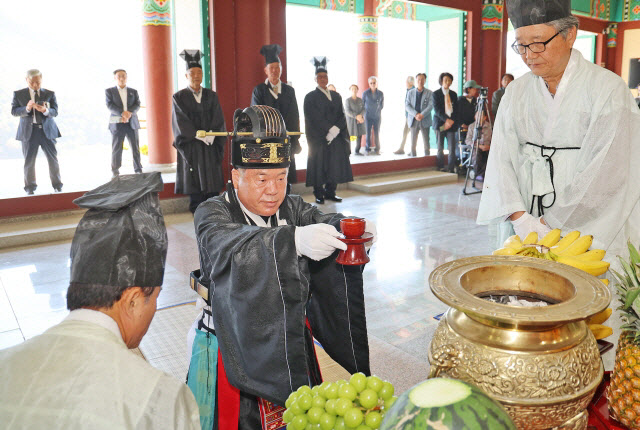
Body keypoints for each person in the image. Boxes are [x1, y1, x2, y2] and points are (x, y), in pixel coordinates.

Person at [477, 0, 640, 370]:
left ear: (570, 34)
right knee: (527, 306)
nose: (529, 55)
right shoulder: (517, 92)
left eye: (539, 43)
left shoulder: (607, 89)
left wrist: (551, 224)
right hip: (526, 217)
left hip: (591, 222)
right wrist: (521, 218)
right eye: (520, 45)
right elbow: (501, 157)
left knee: (588, 311)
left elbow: (609, 172)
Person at [186, 105, 373, 429]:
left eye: (281, 177)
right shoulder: (212, 213)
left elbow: (322, 219)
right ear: (235, 176)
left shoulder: (291, 206)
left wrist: (350, 231)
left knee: (303, 416)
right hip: (232, 344)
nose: (273, 190)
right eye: (261, 178)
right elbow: (227, 247)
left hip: (288, 337)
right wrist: (294, 242)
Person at [0, 173, 201, 429]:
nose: (154, 310)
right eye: (154, 299)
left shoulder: (5, 364)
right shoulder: (160, 397)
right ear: (132, 300)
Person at [172, 49, 226, 214]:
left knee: (211, 173)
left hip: (210, 143)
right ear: (186, 75)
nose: (196, 75)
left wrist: (211, 134)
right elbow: (179, 120)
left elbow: (218, 118)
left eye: (199, 72)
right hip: (192, 144)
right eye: (192, 72)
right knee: (194, 174)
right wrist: (197, 134)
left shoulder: (212, 95)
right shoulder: (179, 97)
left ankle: (215, 207)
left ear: (203, 75)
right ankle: (196, 208)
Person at [251, 44, 301, 193]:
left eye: (277, 67)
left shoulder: (289, 91)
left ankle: (287, 203)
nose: (274, 71)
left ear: (281, 69)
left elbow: (294, 115)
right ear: (265, 70)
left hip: (286, 141)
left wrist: (294, 138)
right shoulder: (259, 90)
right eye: (271, 68)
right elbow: (256, 115)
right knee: (268, 176)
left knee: (285, 176)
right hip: (267, 142)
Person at [304, 57, 353, 204]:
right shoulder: (310, 97)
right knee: (319, 165)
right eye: (320, 77)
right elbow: (313, 117)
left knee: (334, 164)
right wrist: (329, 129)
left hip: (336, 136)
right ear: (315, 79)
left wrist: (336, 130)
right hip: (319, 138)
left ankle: (331, 191)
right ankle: (318, 193)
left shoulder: (336, 96)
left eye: (325, 76)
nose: (323, 79)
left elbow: (342, 115)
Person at [11, 69, 62, 195]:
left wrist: (45, 110)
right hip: (29, 132)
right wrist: (27, 108)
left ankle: (57, 186)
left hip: (47, 131)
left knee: (53, 159)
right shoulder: (19, 94)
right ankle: (30, 189)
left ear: (41, 80)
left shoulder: (50, 93)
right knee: (29, 161)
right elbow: (14, 111)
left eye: (38, 82)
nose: (35, 85)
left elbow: (55, 111)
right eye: (32, 82)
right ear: (27, 80)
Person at [106, 69, 142, 178]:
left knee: (135, 147)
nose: (122, 78)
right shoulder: (109, 91)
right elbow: (110, 105)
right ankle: (115, 170)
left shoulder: (133, 91)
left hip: (132, 122)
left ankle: (138, 169)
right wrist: (122, 113)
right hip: (117, 123)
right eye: (119, 76)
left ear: (127, 77)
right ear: (115, 78)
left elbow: (137, 104)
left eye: (124, 76)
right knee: (117, 147)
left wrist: (129, 113)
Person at [432, 72, 458, 172]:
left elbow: (456, 110)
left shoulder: (454, 94)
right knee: (440, 146)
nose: (447, 82)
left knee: (451, 148)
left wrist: (451, 122)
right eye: (445, 80)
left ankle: (451, 168)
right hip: (440, 124)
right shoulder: (436, 94)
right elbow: (437, 110)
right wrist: (446, 121)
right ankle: (441, 166)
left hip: (451, 125)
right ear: (441, 81)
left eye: (449, 80)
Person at [404, 73, 433, 157]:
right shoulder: (410, 92)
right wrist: (416, 114)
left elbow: (431, 105)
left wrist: (422, 115)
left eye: (422, 79)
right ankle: (413, 157)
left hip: (425, 119)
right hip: (413, 119)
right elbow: (407, 105)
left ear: (425, 80)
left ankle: (427, 158)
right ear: (416, 80)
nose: (420, 81)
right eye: (419, 79)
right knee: (413, 141)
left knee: (426, 141)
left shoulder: (429, 92)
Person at [465, 110, 492, 181]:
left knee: (493, 156)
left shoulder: (490, 126)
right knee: (477, 155)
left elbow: (494, 139)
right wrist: (479, 146)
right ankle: (479, 175)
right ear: (475, 117)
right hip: (476, 148)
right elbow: (468, 140)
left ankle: (484, 175)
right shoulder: (471, 126)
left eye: (481, 115)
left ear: (485, 117)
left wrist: (489, 146)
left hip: (488, 147)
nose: (479, 117)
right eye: (477, 115)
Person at [362, 76, 384, 154]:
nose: (372, 84)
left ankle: (377, 149)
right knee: (368, 133)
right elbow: (362, 104)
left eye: (374, 83)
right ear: (369, 84)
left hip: (377, 116)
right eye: (371, 83)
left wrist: (377, 110)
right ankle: (367, 149)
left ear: (376, 83)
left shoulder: (381, 93)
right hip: (368, 116)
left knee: (377, 133)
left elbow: (382, 105)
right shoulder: (365, 93)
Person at [456, 80, 481, 151]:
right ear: (468, 89)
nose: (475, 91)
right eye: (474, 89)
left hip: (473, 128)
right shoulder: (459, 100)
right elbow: (456, 114)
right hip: (463, 128)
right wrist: (461, 124)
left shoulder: (476, 101)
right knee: (463, 147)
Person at [394, 76, 415, 155]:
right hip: (408, 115)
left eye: (407, 82)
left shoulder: (413, 91)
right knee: (405, 132)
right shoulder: (409, 90)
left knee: (412, 133)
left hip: (412, 116)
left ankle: (412, 150)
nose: (406, 83)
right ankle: (401, 148)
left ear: (410, 83)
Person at [344, 84, 366, 155]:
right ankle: (348, 151)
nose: (354, 90)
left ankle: (357, 151)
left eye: (355, 89)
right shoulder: (348, 100)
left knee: (359, 136)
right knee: (351, 136)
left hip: (359, 121)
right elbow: (347, 111)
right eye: (352, 89)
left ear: (357, 90)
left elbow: (364, 109)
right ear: (350, 90)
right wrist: (356, 116)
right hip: (351, 121)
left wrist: (360, 115)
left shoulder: (360, 100)